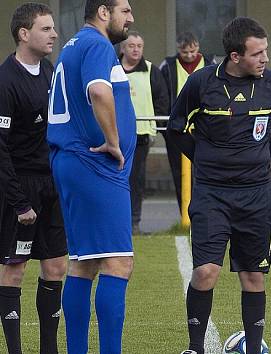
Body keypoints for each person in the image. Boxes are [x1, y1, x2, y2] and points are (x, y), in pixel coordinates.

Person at [167, 17, 271, 354]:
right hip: (211, 194)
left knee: (253, 276)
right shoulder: (200, 83)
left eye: (266, 51)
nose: (265, 58)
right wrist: (205, 160)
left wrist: (257, 157)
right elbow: (176, 128)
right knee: (206, 271)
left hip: (256, 196)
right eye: (258, 53)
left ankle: (253, 349)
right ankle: (195, 348)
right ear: (235, 56)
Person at [46, 0, 135, 352]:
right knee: (118, 262)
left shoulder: (74, 44)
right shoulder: (96, 44)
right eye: (124, 10)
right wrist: (113, 141)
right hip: (93, 164)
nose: (130, 17)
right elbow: (99, 91)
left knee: (84, 264)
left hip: (73, 161)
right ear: (103, 12)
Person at [0, 3, 67, 353]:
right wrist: (19, 201)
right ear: (24, 34)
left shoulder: (50, 71)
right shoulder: (5, 81)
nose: (54, 34)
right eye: (45, 28)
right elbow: (1, 151)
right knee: (14, 268)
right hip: (20, 188)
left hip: (51, 185)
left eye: (53, 27)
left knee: (56, 265)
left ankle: (48, 349)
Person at [119, 30, 169, 235]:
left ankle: (133, 222)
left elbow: (162, 99)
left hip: (140, 134)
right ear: (122, 48)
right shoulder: (111, 68)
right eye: (131, 46)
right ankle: (116, 223)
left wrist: (154, 122)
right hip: (113, 134)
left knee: (135, 179)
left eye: (139, 46)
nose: (136, 50)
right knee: (113, 179)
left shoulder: (150, 70)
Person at [160, 32, 215, 213]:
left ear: (198, 47)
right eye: (185, 53)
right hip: (178, 129)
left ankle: (204, 212)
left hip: (203, 129)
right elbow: (162, 96)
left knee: (204, 171)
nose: (190, 56)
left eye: (193, 51)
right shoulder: (167, 67)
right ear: (178, 50)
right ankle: (185, 214)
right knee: (179, 174)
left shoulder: (209, 64)